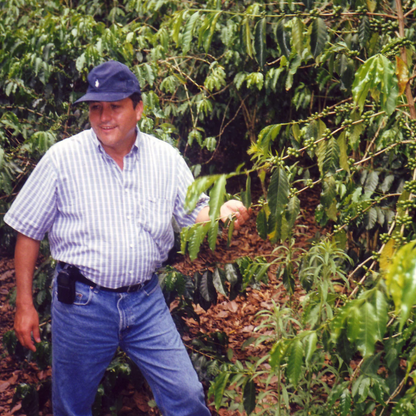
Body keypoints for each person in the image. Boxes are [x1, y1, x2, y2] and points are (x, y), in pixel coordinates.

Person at [4, 60, 250, 416]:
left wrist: (222, 214)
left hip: (145, 301)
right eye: (95, 108)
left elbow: (193, 214)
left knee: (186, 394)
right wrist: (24, 304)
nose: (104, 117)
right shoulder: (62, 159)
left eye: (114, 107)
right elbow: (27, 231)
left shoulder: (164, 158)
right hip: (82, 305)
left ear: (138, 109)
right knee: (71, 406)